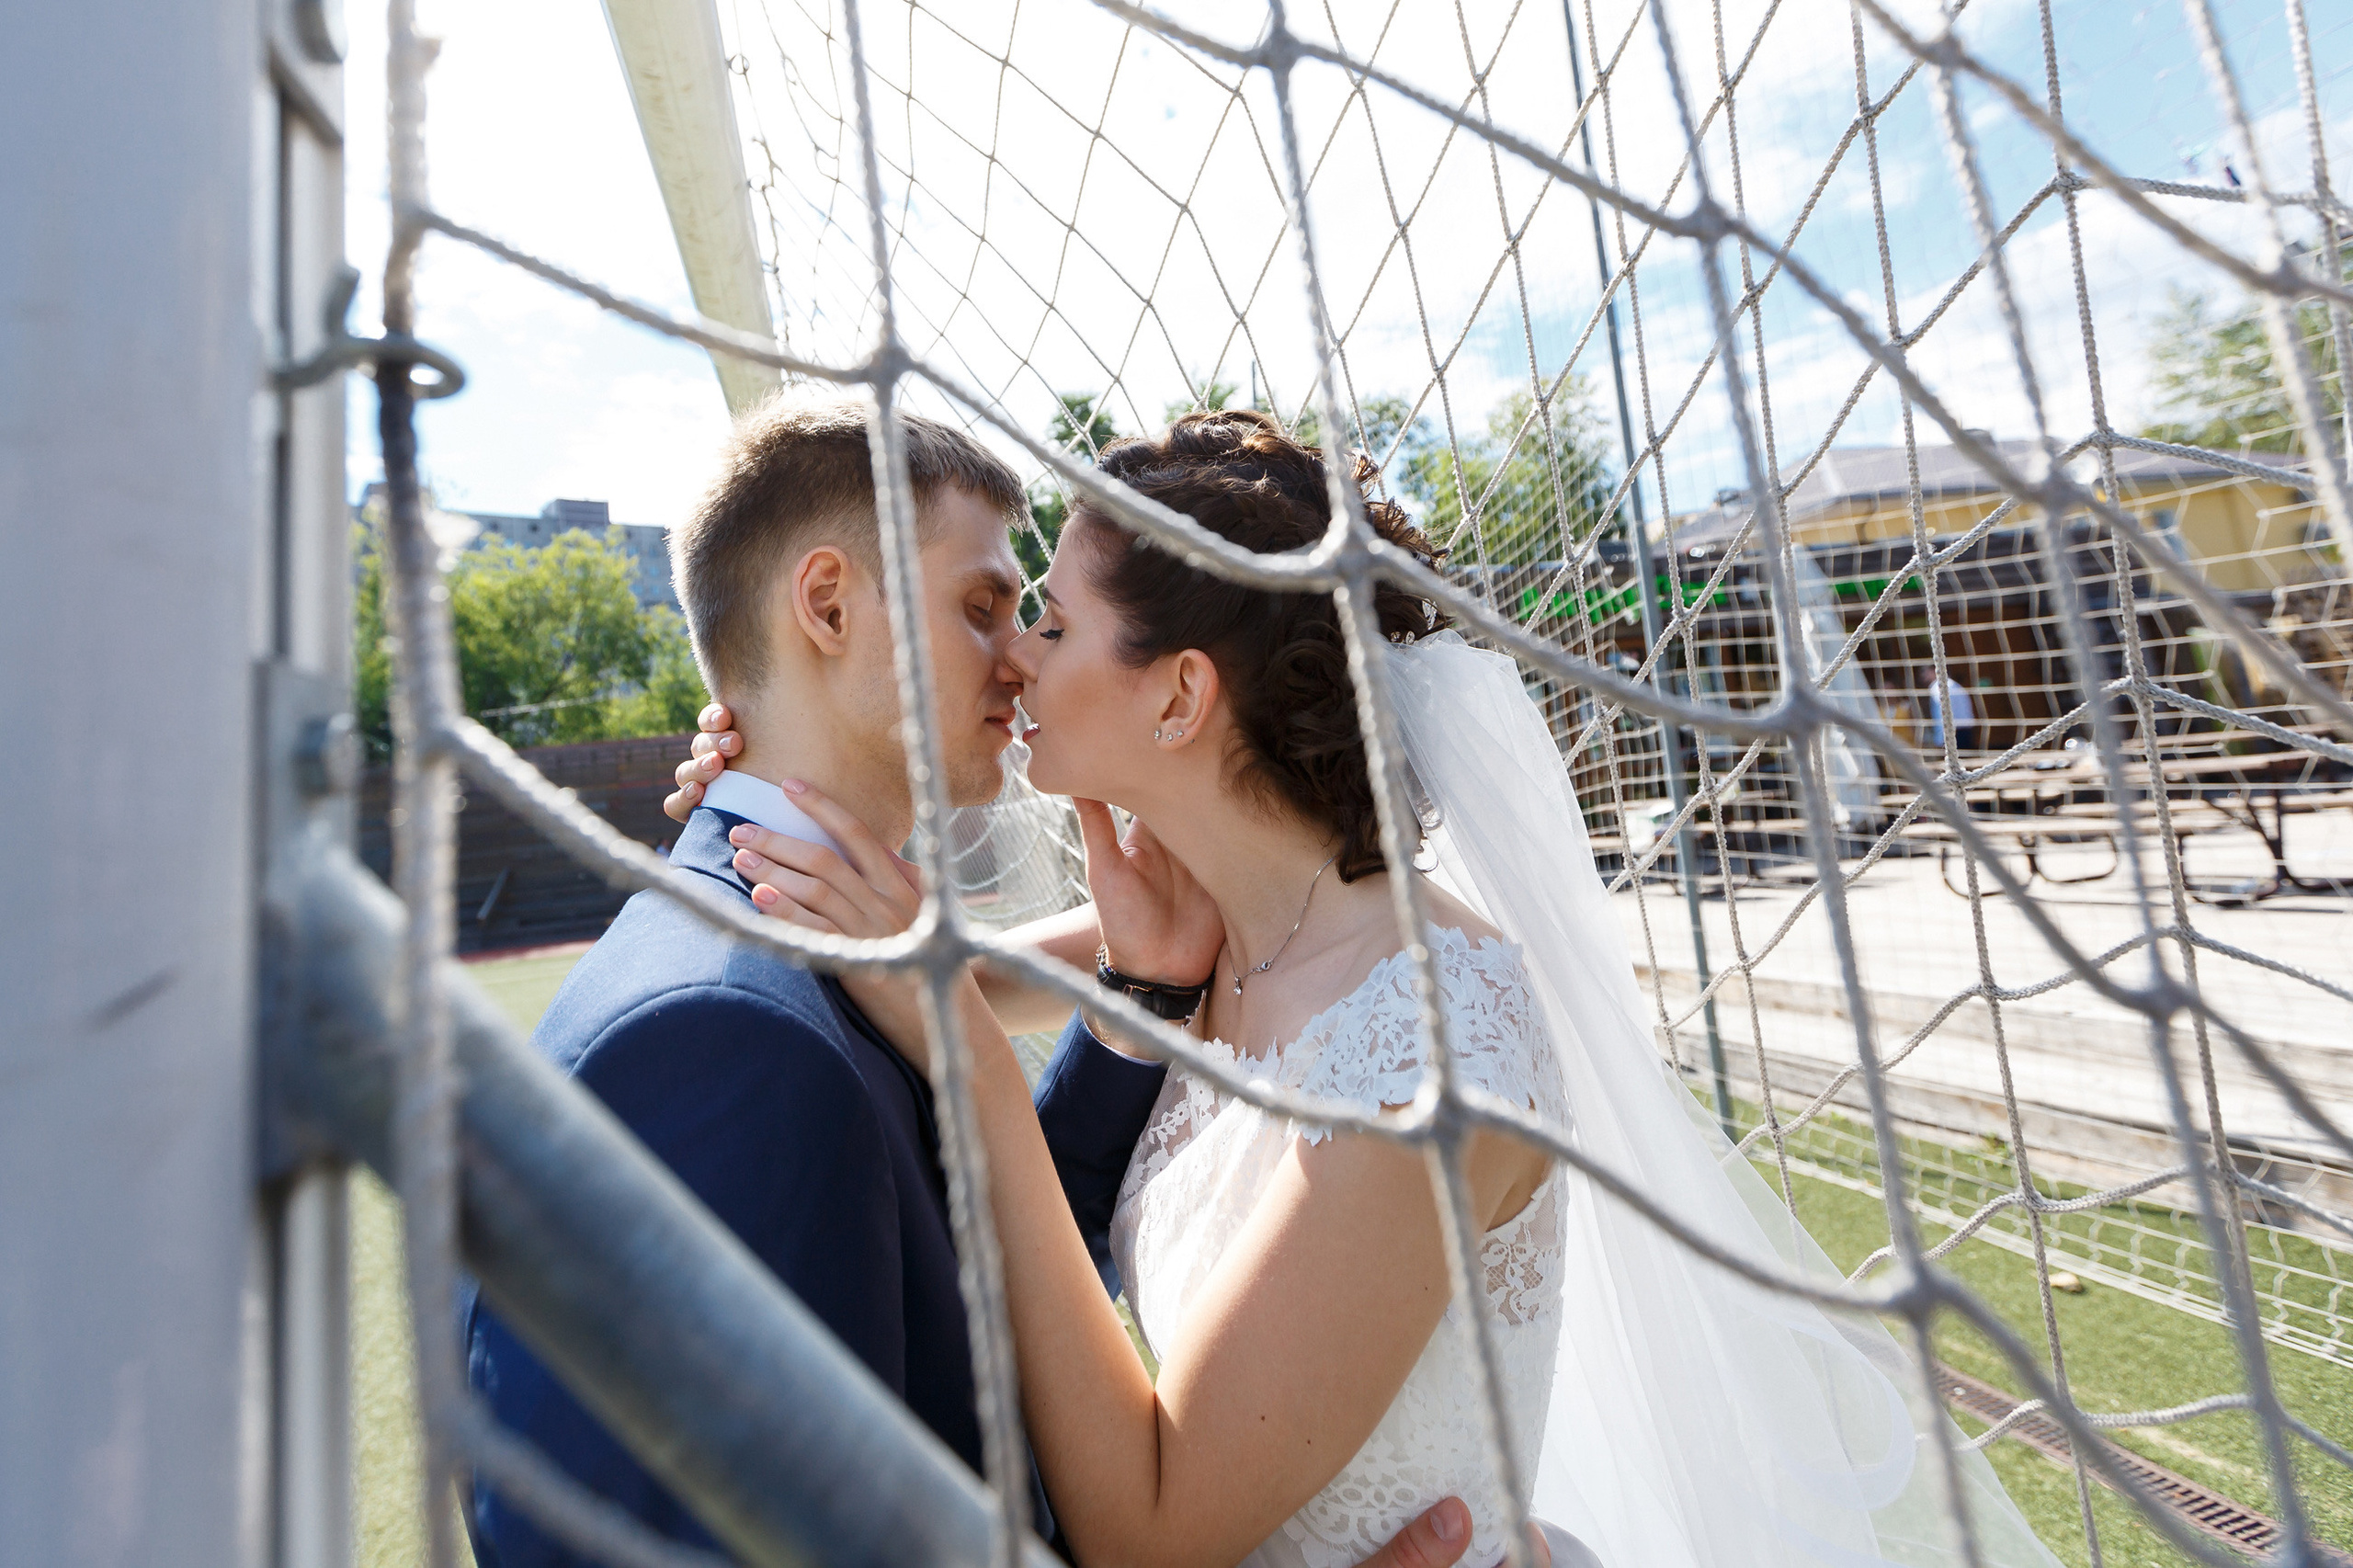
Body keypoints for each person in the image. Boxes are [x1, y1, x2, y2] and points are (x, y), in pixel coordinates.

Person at [681, 411, 2064, 1568]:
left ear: (1178, 695)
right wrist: (764, 781)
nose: (1017, 658)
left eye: (1045, 618)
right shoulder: (1219, 932)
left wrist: (979, 1066)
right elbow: (914, 948)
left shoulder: (1432, 1051)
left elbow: (1149, 1524)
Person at [471, 391, 1489, 1568]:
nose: (1019, 658)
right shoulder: (722, 1032)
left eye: (1041, 618)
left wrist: (1140, 991)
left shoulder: (854, 951)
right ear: (827, 604)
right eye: (985, 607)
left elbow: (956, 1285)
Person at [1919, 665, 1979, 756]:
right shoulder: (1953, 684)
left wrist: (1940, 739)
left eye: (1925, 672)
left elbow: (1941, 713)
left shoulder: (1940, 687)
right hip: (1964, 730)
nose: (1923, 676)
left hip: (1954, 732)